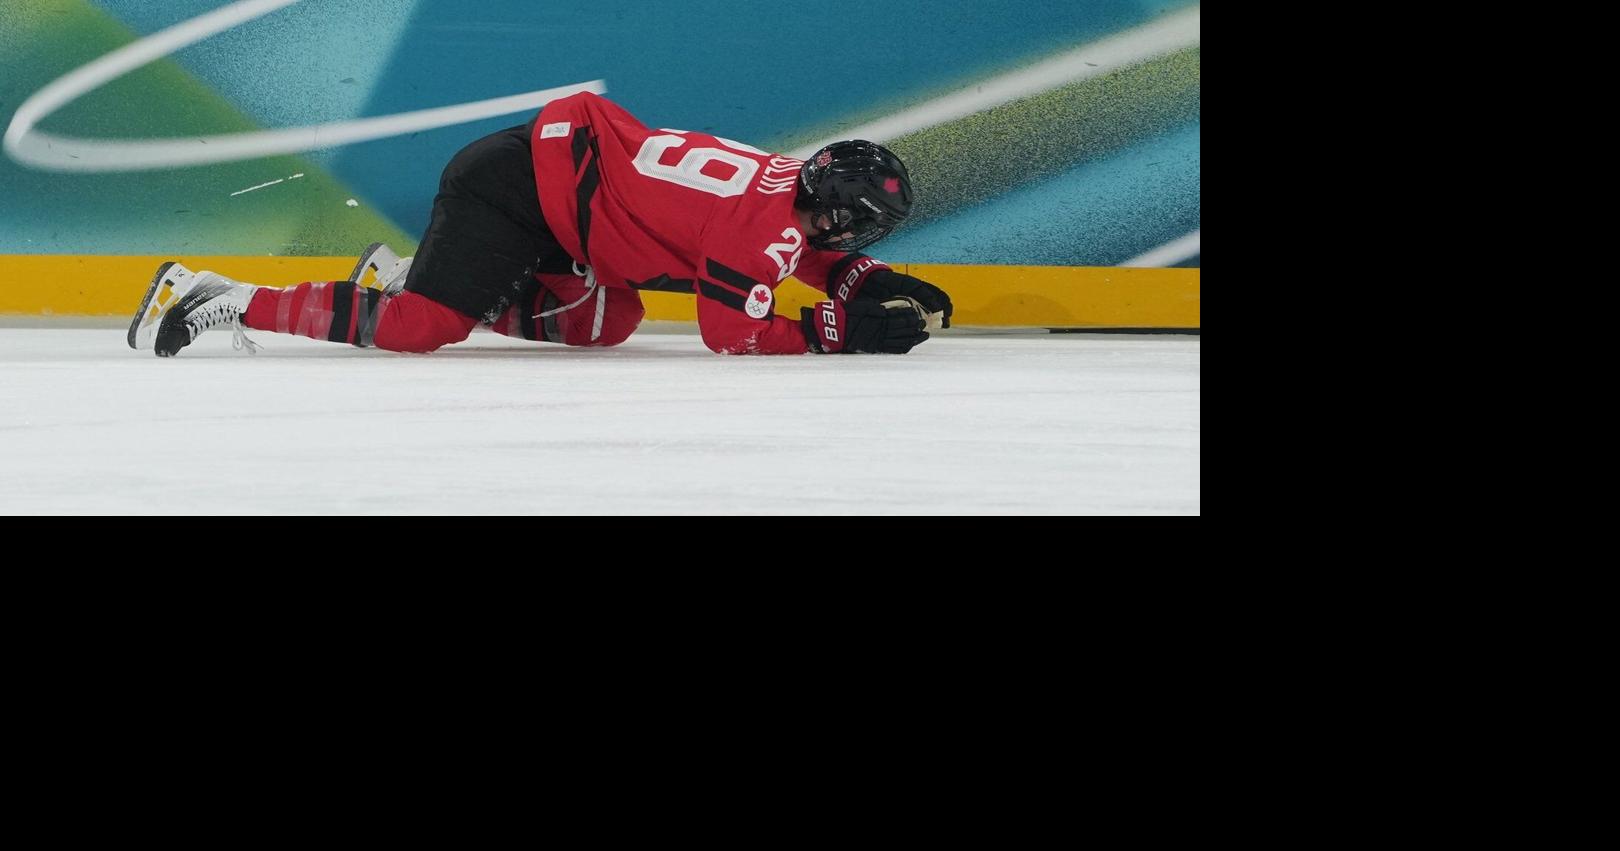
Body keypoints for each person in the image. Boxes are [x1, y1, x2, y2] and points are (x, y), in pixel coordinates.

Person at [127, 91, 953, 358]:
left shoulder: (778, 189)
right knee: (422, 330)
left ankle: (408, 274)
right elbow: (730, 330)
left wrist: (871, 281)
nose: (859, 245)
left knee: (608, 318)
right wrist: (834, 330)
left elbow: (782, 249)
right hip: (517, 192)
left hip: (558, 188)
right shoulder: (768, 230)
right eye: (867, 236)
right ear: (842, 214)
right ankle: (217, 296)